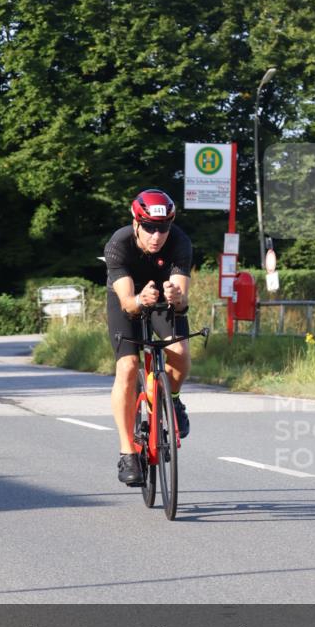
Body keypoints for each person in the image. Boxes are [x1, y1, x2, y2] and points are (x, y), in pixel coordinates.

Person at [104, 189, 192, 487]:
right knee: (128, 367)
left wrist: (176, 296)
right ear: (136, 223)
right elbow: (128, 304)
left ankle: (174, 400)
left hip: (162, 301)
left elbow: (181, 299)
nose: (157, 236)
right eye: (150, 228)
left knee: (180, 351)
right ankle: (128, 452)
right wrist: (139, 299)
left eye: (163, 228)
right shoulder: (119, 243)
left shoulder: (180, 242)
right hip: (127, 298)